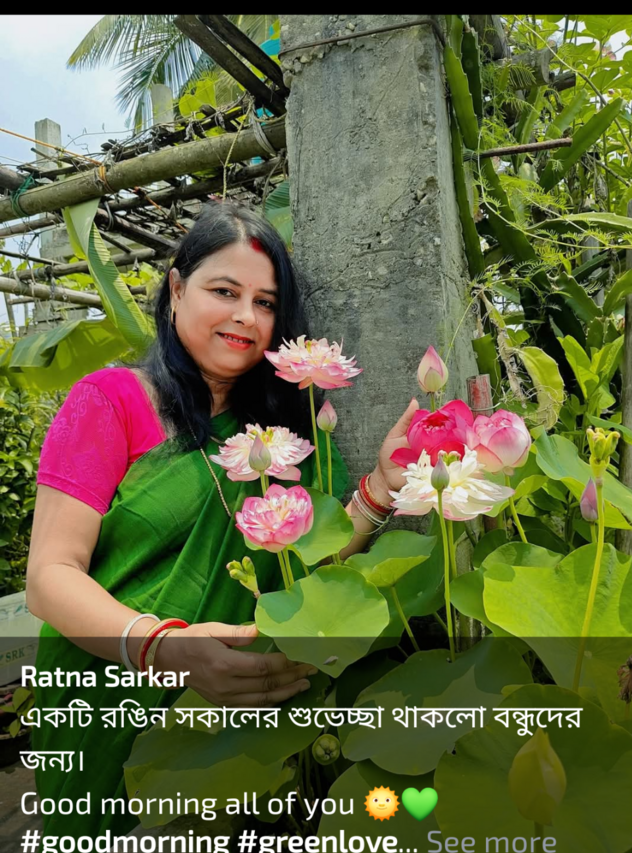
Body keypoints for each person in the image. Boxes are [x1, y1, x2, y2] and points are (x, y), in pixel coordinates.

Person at [25, 200, 419, 840]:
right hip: (107, 701)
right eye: (225, 291)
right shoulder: (111, 400)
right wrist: (165, 649)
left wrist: (380, 488)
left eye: (265, 303)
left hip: (238, 722)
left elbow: (305, 564)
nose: (245, 316)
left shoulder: (281, 433)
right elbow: (49, 577)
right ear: (177, 290)